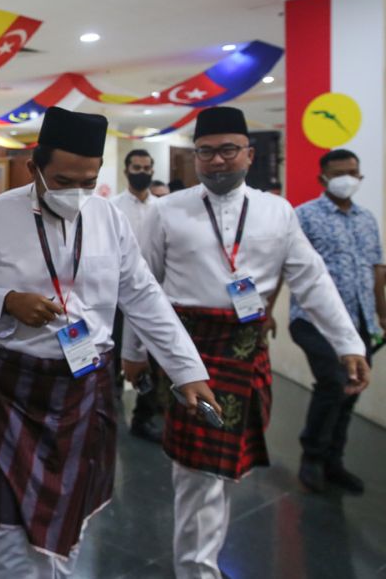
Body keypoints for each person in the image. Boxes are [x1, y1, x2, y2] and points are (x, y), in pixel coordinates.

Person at [0, 106, 215, 578]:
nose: (76, 193)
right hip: (8, 386)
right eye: (62, 180)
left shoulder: (109, 220)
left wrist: (188, 369)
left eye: (88, 181)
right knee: (9, 521)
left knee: (71, 512)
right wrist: (6, 300)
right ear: (34, 166)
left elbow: (142, 294)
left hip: (84, 385)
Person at [141, 106, 370, 579]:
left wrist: (349, 343)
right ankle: (196, 570)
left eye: (228, 150)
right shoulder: (167, 210)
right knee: (198, 472)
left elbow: (312, 279)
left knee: (221, 472)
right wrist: (133, 354)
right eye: (206, 152)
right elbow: (144, 286)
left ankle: (202, 561)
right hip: (191, 353)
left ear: (249, 153)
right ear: (195, 157)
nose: (217, 161)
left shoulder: (276, 211)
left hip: (246, 352)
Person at [291, 149, 384, 494]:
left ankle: (334, 461)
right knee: (332, 382)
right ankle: (311, 457)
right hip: (313, 321)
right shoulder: (304, 216)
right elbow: (284, 267)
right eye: (339, 172)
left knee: (352, 388)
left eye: (353, 172)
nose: (347, 178)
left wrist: (381, 312)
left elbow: (377, 267)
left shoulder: (366, 219)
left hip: (360, 321)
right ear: (323, 178)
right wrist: (263, 312)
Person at [110, 149, 164, 442]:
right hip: (117, 297)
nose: (141, 171)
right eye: (136, 167)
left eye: (146, 167)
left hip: (153, 297)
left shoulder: (162, 208)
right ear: (126, 169)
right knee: (114, 353)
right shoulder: (112, 207)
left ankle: (143, 416)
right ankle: (111, 396)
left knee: (151, 359)